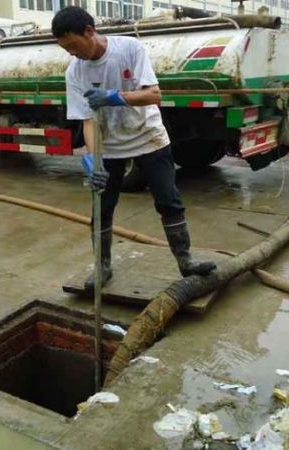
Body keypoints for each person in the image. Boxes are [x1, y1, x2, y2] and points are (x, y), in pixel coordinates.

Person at [51, 7, 216, 293]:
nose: (72, 53)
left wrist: (115, 97)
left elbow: (154, 94)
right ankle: (102, 266)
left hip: (148, 137)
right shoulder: (74, 72)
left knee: (168, 201)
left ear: (90, 32)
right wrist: (93, 159)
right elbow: (87, 121)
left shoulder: (129, 49)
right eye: (66, 49)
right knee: (102, 209)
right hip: (109, 144)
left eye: (74, 46)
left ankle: (185, 260)